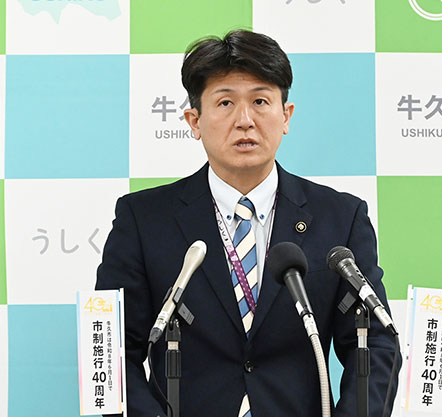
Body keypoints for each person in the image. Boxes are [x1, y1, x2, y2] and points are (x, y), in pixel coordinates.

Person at [96, 30, 399, 417]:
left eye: (260, 101)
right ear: (194, 120)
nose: (245, 120)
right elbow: (110, 349)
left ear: (286, 116)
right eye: (225, 102)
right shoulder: (143, 220)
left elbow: (375, 345)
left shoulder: (340, 218)